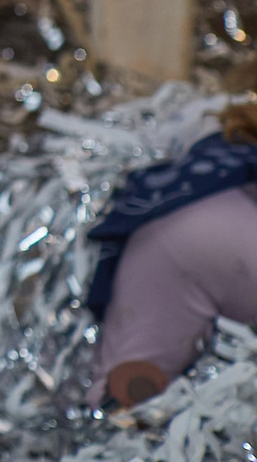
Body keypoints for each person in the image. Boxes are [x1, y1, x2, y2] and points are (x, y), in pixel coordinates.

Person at [88, 80, 257, 407]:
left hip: (189, 239)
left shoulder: (215, 173)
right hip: (198, 247)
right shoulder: (213, 222)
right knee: (131, 397)